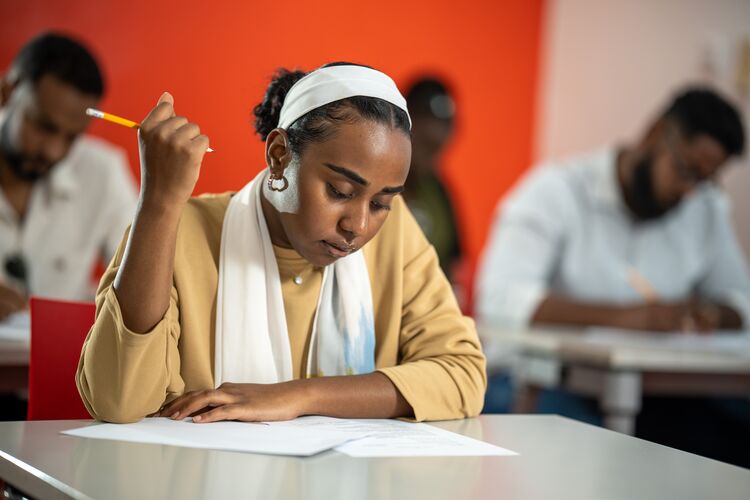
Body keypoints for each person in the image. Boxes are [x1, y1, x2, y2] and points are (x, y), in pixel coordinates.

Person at [76, 63, 486, 424]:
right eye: (341, 190)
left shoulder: (395, 235)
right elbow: (118, 400)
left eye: (381, 202)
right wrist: (159, 203)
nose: (358, 225)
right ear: (278, 156)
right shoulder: (179, 230)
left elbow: (463, 375)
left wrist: (297, 396)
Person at [476, 87, 749, 332]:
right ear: (657, 134)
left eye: (704, 181)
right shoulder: (557, 190)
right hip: (550, 379)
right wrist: (630, 319)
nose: (689, 191)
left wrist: (710, 315)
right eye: (685, 170)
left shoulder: (705, 210)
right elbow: (500, 299)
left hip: (664, 383)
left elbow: (743, 303)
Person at [0, 32, 137, 318]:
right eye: (43, 126)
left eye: (72, 137)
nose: (53, 151)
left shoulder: (104, 173)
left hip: (62, 363)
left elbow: (143, 277)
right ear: (7, 92)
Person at [401, 78, 462, 282]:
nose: (432, 159)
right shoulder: (374, 185)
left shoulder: (440, 193)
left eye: (437, 150)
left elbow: (452, 268)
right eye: (424, 145)